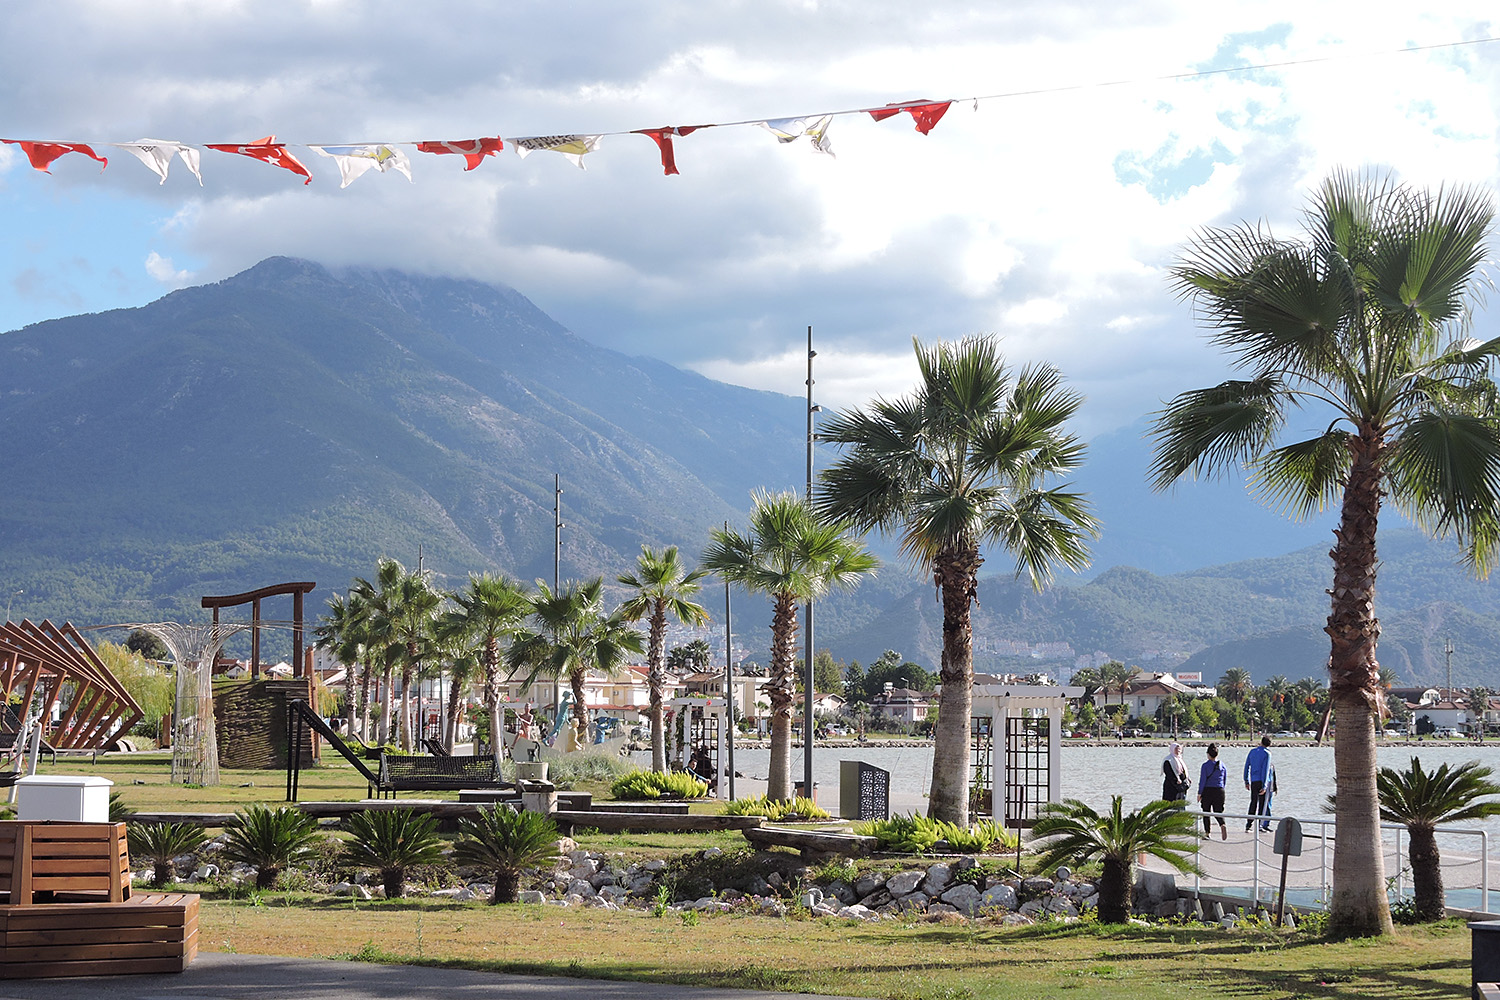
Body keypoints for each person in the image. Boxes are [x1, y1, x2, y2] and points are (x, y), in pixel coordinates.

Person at [1197, 742, 1228, 840]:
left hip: (1208, 790)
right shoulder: (1222, 765)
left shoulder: (1205, 766)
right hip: (1219, 790)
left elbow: (1202, 780)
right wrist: (1222, 788)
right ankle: (1222, 824)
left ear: (1208, 754)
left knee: (1206, 812)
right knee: (1218, 811)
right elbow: (1224, 779)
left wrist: (1199, 793)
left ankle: (1207, 833)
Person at [1244, 735, 1273, 831]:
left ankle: (1248, 824)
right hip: (1262, 781)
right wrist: (1264, 786)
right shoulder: (1267, 754)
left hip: (1253, 780)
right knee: (1262, 804)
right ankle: (1260, 825)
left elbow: (1247, 766)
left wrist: (1246, 780)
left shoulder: (1252, 752)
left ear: (1261, 742)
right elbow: (1265, 770)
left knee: (1253, 802)